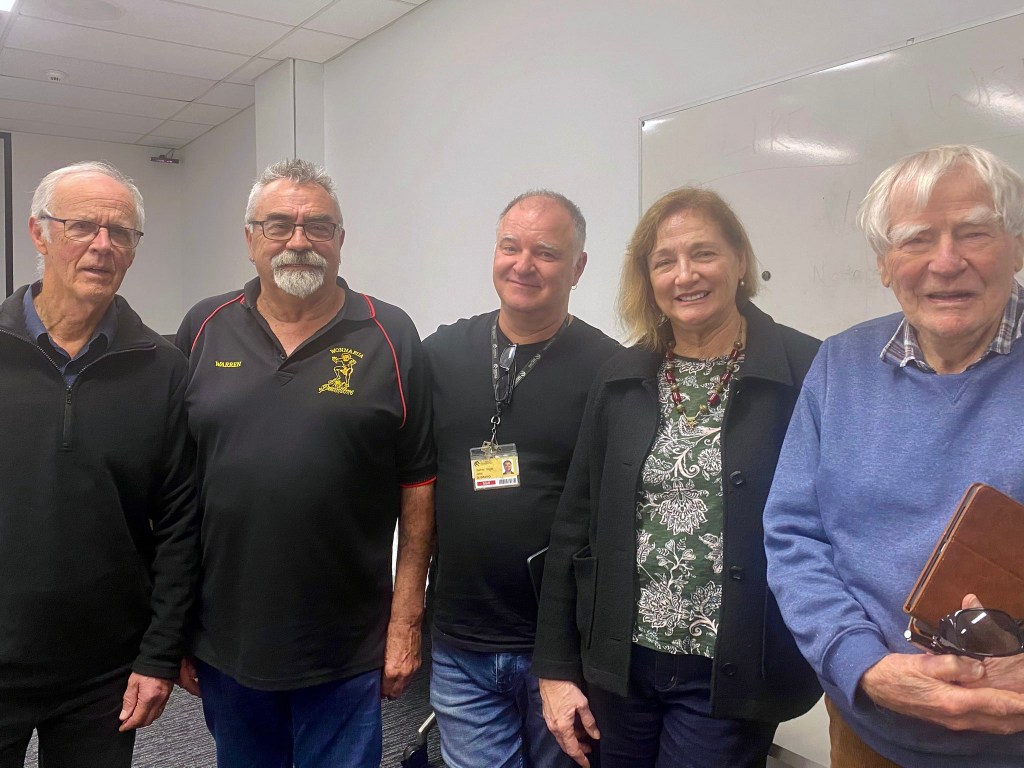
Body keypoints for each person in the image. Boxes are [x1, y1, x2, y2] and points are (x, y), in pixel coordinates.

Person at [533, 187, 822, 768]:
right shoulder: (621, 375)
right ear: (648, 277)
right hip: (618, 664)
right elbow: (575, 523)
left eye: (704, 254)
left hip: (732, 668)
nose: (684, 275)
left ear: (740, 260)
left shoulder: (806, 369)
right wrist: (556, 669)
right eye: (664, 261)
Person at [764, 144, 1024, 768]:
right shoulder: (840, 364)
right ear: (884, 264)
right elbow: (794, 533)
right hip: (868, 729)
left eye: (973, 233)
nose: (946, 261)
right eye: (915, 240)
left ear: (1016, 244)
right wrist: (865, 666)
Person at [175, 158, 435, 768]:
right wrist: (175, 626)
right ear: (249, 239)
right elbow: (178, 488)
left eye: (318, 225)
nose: (299, 240)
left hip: (345, 642)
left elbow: (418, 485)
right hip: (227, 636)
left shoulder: (389, 334)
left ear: (341, 240)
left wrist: (406, 619)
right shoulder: (202, 328)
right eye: (279, 225)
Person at [0, 161, 198, 767]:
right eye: (82, 226)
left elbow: (180, 523)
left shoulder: (162, 368)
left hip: (104, 671)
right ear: (39, 233)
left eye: (122, 233)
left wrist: (158, 654)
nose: (102, 246)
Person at [424, 190, 620, 768]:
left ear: (578, 268)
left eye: (547, 252)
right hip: (461, 636)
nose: (523, 264)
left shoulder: (610, 371)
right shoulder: (442, 353)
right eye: (510, 246)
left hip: (561, 645)